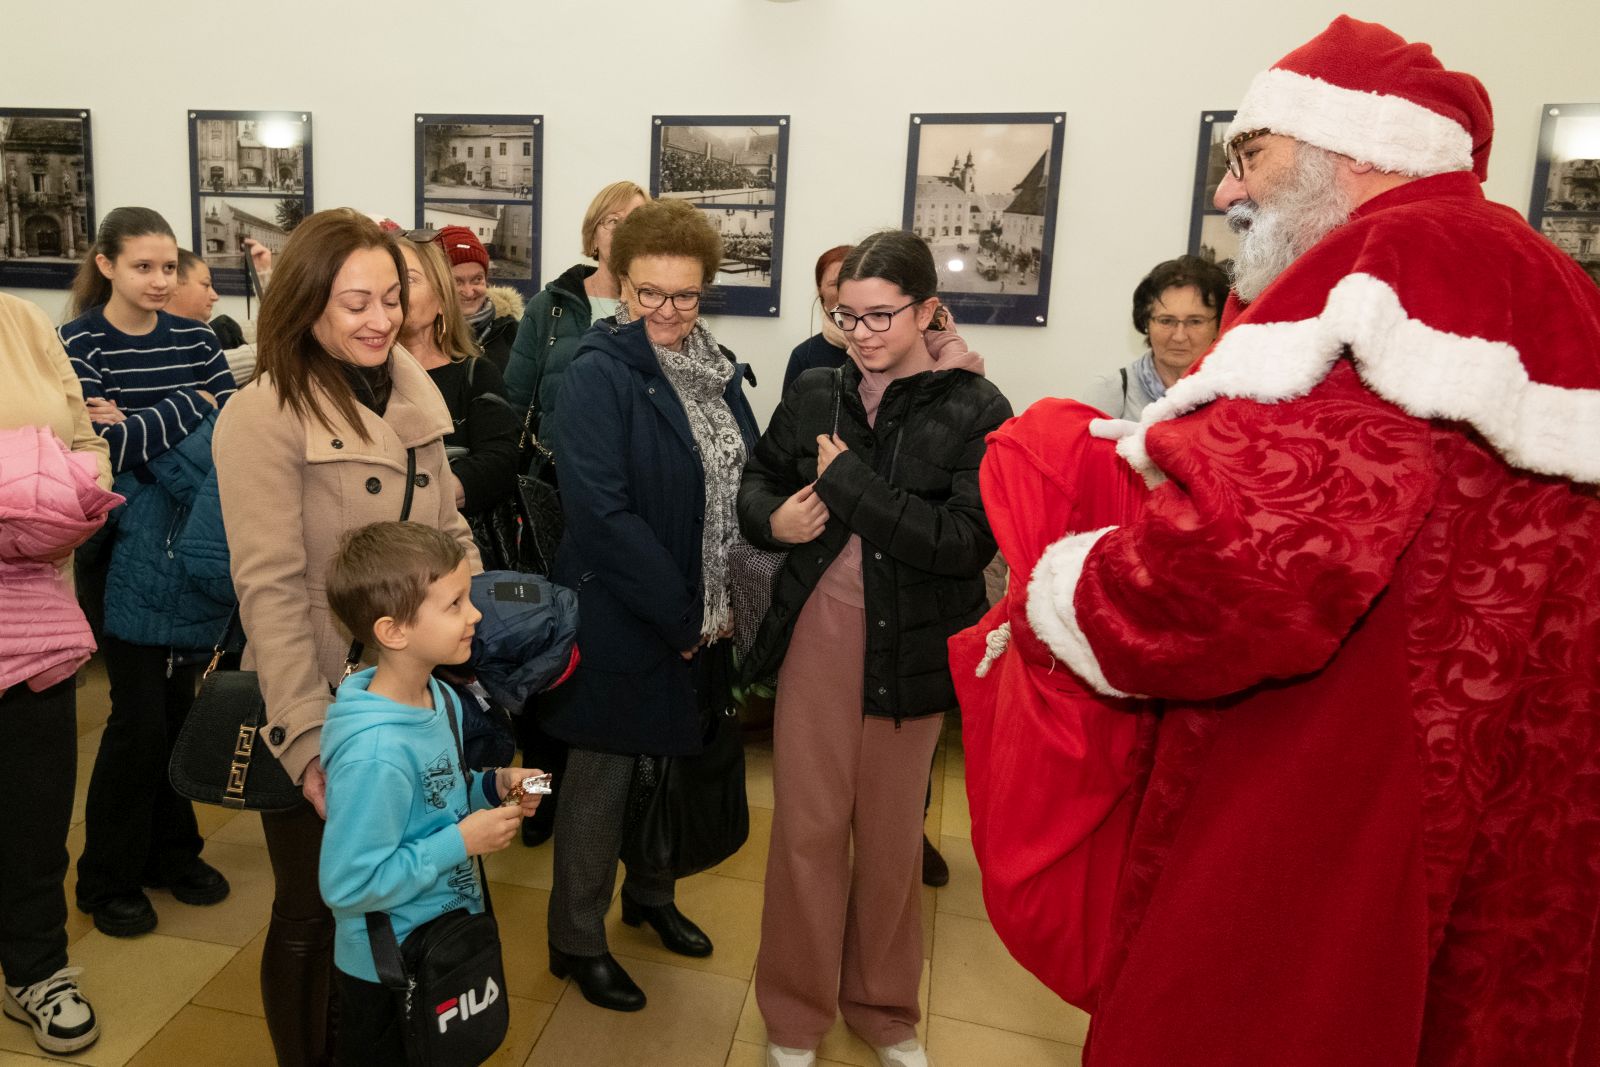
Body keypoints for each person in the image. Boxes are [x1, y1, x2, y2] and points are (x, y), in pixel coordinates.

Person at [1013, 17, 1600, 1066]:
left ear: (1360, 147)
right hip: (1509, 789)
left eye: (1251, 153)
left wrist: (1072, 583)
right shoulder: (1545, 278)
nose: (1231, 193)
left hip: (1333, 784)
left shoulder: (1387, 269)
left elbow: (1260, 567)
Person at [739, 230, 1012, 1067]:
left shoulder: (977, 406)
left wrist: (852, 486)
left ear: (929, 309)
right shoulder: (817, 390)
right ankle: (793, 1014)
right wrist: (772, 519)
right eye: (844, 316)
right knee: (808, 832)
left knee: (893, 839)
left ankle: (886, 1008)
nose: (859, 333)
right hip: (817, 635)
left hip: (915, 648)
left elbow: (966, 542)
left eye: (880, 316)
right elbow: (758, 479)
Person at [213, 208, 478, 1067]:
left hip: (408, 696)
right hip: (322, 701)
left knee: (397, 907)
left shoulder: (411, 395)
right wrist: (307, 738)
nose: (378, 319)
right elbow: (272, 589)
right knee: (311, 909)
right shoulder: (263, 411)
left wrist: (468, 608)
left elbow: (452, 532)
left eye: (391, 298)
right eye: (354, 301)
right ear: (306, 303)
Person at [541, 198, 759, 1012]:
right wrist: (681, 614)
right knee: (602, 778)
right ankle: (577, 938)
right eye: (649, 294)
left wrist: (727, 596)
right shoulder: (595, 371)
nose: (667, 312)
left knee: (673, 757)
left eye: (686, 295)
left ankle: (652, 897)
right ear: (621, 286)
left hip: (704, 609)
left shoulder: (717, 364)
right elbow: (602, 516)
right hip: (627, 611)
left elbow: (740, 473)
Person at [59, 206, 237, 939]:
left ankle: (172, 850)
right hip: (120, 545)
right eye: (143, 266)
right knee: (135, 717)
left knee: (175, 708)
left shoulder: (197, 336)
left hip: (192, 537)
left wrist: (146, 422)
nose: (160, 280)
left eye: (169, 266)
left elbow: (232, 423)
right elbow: (100, 446)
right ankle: (108, 876)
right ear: (105, 264)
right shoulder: (77, 339)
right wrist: (182, 407)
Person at [318, 521, 541, 1065]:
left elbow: (438, 792)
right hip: (388, 968)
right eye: (455, 604)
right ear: (395, 631)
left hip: (444, 936)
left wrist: (490, 787)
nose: (476, 615)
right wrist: (461, 843)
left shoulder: (438, 696)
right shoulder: (376, 755)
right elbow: (349, 886)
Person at [0, 291, 113, 1055]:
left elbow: (81, 432)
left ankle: (36, 966)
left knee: (34, 805)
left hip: (31, 612)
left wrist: (66, 500)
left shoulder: (21, 318)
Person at [392, 232, 521, 566]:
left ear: (440, 295)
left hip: (456, 554)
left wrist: (417, 496)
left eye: (408, 279)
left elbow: (501, 459)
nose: (396, 291)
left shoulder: (475, 373)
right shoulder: (362, 377)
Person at [503, 180, 648, 428]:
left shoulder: (664, 309)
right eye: (614, 221)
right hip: (558, 460)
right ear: (592, 237)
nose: (626, 232)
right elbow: (514, 402)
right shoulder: (548, 306)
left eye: (637, 222)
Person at [1076, 255, 1229, 419]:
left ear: (1218, 325)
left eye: (1195, 321)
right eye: (1166, 321)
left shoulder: (1235, 393)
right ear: (1146, 322)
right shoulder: (1110, 394)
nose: (1179, 336)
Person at [437, 225, 522, 376]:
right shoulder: (424, 339)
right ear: (437, 284)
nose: (469, 292)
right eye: (457, 282)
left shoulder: (512, 332)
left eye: (477, 279)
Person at [781, 244, 851, 394]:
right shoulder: (804, 356)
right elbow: (789, 415)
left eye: (851, 281)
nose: (844, 291)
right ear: (820, 291)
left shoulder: (882, 349)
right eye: (835, 284)